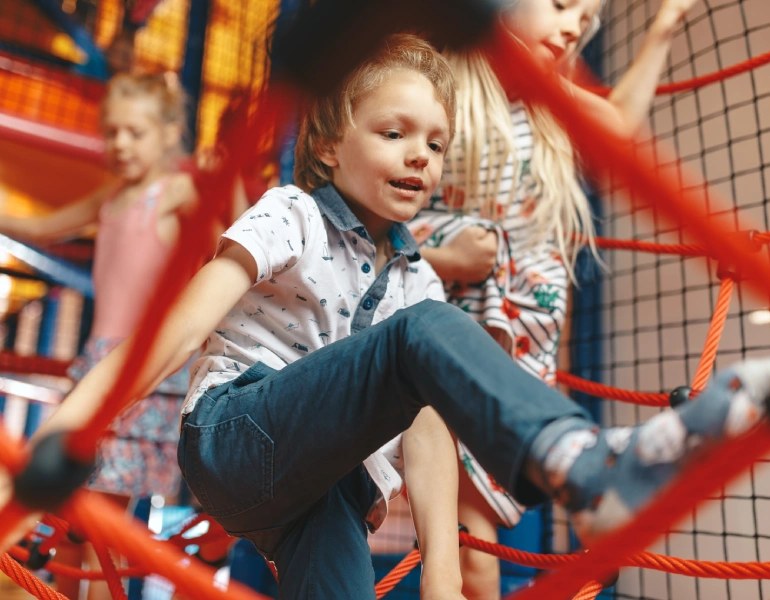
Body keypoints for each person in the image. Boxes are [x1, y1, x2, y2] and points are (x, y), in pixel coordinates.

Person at [2, 33, 768, 600]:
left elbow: (426, 431)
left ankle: (583, 468)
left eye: (435, 144)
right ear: (331, 145)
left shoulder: (414, 278)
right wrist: (58, 443)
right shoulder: (293, 214)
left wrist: (441, 579)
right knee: (424, 332)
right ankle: (586, 468)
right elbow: (181, 328)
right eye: (393, 133)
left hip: (321, 498)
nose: (419, 157)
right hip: (235, 433)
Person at [408, 0, 701, 596]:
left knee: (475, 535)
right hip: (450, 323)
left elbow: (617, 126)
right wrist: (446, 255)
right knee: (463, 540)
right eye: (562, 5)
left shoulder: (549, 100)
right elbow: (374, 221)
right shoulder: (445, 83)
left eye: (585, 20)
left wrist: (665, 26)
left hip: (522, 337)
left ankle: (592, 472)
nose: (573, 27)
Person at [0, 71, 201, 599]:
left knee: (102, 520)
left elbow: (230, 228)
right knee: (72, 512)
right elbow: (42, 227)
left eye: (135, 132)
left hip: (140, 370)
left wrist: (229, 179)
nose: (120, 143)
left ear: (168, 133)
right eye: (111, 132)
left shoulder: (174, 190)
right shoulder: (111, 198)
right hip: (98, 363)